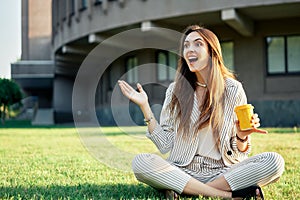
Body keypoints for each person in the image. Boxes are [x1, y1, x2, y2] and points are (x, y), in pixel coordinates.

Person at [118, 25, 284, 199]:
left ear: (212, 52)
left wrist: (242, 136)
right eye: (186, 45)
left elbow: (239, 153)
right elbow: (165, 144)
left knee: (274, 161)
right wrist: (145, 106)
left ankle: (183, 188)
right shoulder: (175, 90)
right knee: (141, 162)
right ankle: (228, 196)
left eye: (198, 44)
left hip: (223, 173)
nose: (190, 49)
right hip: (182, 169)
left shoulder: (233, 89)